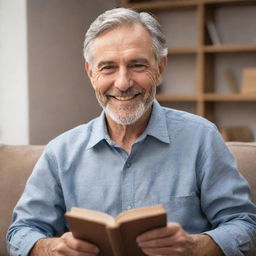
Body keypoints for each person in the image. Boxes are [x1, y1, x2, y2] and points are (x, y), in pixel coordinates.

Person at [7, 7, 256, 256]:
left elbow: (245, 225)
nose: (123, 83)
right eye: (108, 68)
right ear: (91, 73)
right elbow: (21, 233)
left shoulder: (202, 138)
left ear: (160, 68)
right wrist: (50, 248)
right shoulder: (59, 152)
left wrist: (195, 246)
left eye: (137, 65)